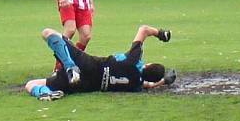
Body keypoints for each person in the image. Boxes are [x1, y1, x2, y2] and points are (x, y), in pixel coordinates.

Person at [24, 25, 176, 100]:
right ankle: (46, 93)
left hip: (87, 65)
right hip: (83, 86)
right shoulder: (136, 84)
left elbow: (143, 30)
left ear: (147, 65)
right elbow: (147, 85)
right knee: (31, 84)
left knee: (48, 33)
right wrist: (163, 82)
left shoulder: (134, 60)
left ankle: (69, 66)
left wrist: (160, 34)